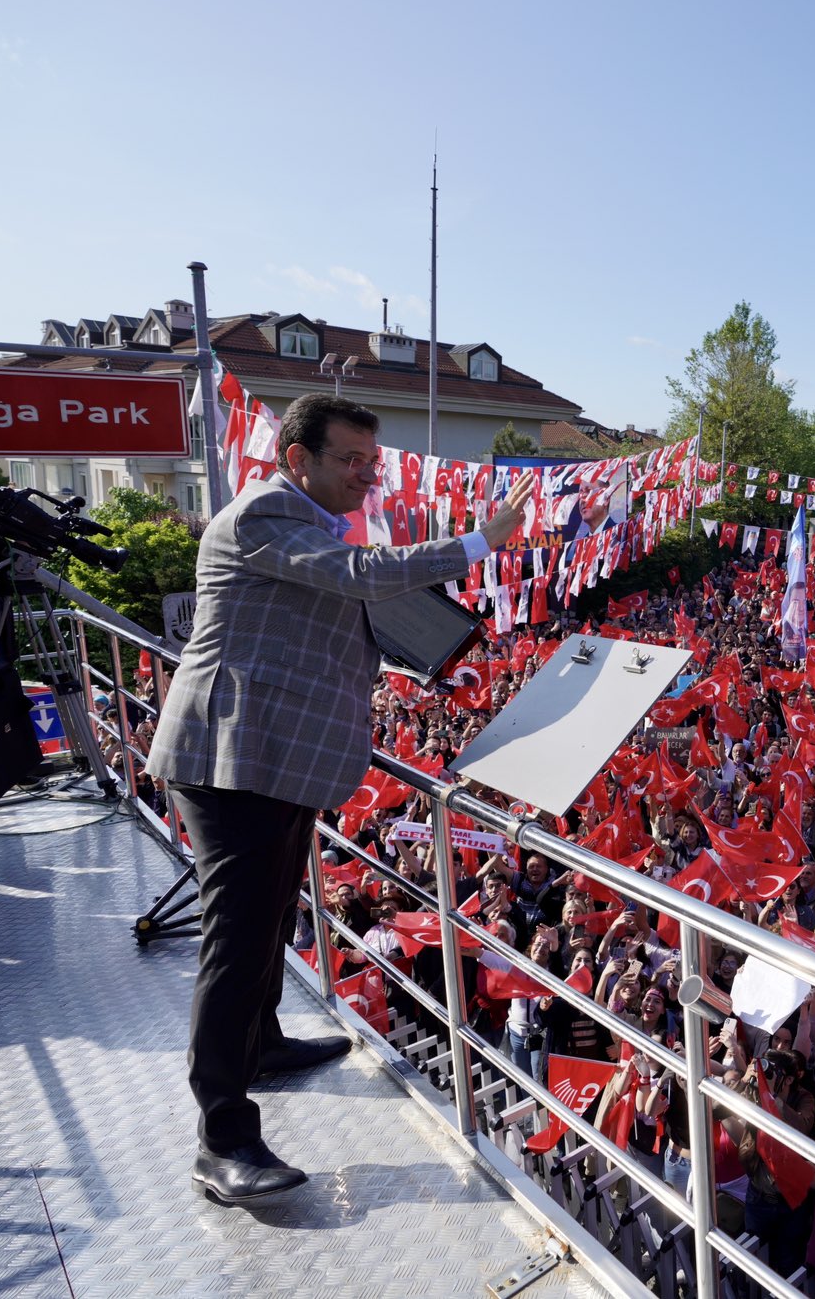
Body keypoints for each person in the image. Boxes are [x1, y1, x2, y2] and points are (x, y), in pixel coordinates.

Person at [149, 393, 535, 1207]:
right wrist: (478, 541)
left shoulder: (309, 524)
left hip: (278, 759)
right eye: (350, 460)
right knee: (238, 936)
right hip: (233, 758)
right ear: (297, 458)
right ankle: (222, 1136)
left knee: (268, 918)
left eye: (373, 461)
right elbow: (358, 578)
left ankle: (262, 1044)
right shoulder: (263, 514)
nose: (368, 477)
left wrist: (423, 658)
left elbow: (331, 620)